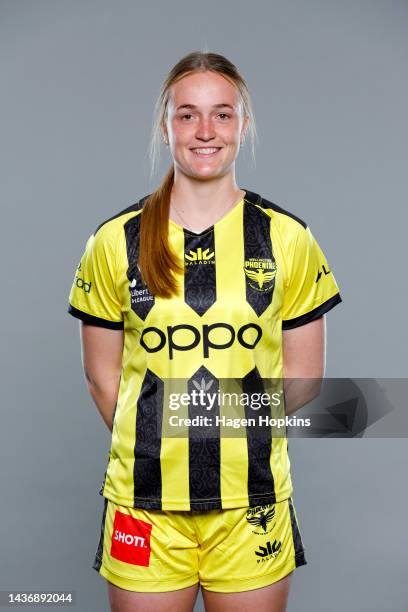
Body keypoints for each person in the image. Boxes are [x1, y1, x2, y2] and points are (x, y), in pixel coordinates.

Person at [67, 51, 342, 612]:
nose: (205, 131)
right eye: (187, 114)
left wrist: (221, 431)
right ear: (165, 128)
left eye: (222, 113)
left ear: (243, 125)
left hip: (252, 505)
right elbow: (102, 379)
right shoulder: (114, 239)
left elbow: (306, 378)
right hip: (143, 505)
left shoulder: (286, 237)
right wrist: (159, 441)